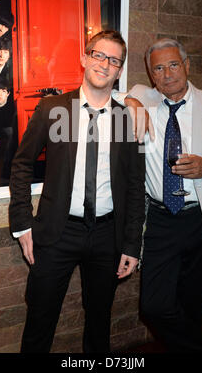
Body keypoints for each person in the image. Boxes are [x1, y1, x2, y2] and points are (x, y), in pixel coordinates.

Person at [9, 30, 145, 353]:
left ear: (120, 70)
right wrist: (22, 222)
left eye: (114, 60)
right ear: (84, 58)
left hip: (107, 236)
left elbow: (135, 185)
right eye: (98, 55)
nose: (104, 64)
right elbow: (22, 164)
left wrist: (132, 243)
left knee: (100, 324)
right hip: (57, 232)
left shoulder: (127, 119)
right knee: (40, 322)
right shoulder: (52, 109)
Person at [117, 38, 202, 353]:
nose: (167, 74)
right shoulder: (142, 98)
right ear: (151, 76)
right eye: (158, 69)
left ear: (187, 66)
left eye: (173, 65)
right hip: (161, 220)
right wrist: (130, 99)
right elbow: (108, 91)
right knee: (153, 305)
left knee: (192, 304)